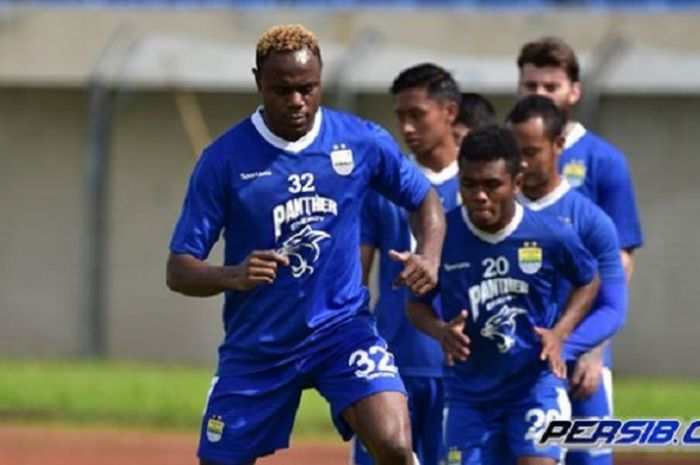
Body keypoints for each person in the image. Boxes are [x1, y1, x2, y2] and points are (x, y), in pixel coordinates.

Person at [166, 24, 446, 465]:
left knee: (394, 444)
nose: (297, 101)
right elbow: (179, 269)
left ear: (320, 81)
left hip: (341, 330)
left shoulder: (360, 141)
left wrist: (429, 255)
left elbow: (425, 199)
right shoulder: (224, 160)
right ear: (258, 81)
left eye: (307, 88)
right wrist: (233, 275)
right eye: (282, 90)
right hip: (260, 344)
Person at [407, 125, 603, 465]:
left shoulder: (552, 236)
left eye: (492, 184)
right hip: (468, 395)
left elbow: (589, 280)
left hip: (533, 386)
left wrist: (560, 333)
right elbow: (415, 304)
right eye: (469, 184)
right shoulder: (442, 236)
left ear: (517, 183)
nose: (480, 195)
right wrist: (440, 331)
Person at [516, 37, 644, 465]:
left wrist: (593, 350)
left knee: (588, 458)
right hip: (518, 348)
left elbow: (620, 261)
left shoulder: (605, 161)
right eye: (530, 85)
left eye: (550, 87)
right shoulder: (502, 159)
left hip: (580, 348)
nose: (539, 95)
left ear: (574, 91)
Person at [352, 63, 462, 465]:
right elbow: (356, 280)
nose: (407, 127)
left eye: (417, 114)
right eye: (400, 116)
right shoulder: (381, 188)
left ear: (449, 112)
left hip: (458, 369)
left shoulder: (482, 187)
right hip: (390, 364)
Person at [507, 94, 628, 392]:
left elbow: (613, 307)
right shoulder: (494, 217)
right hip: (504, 374)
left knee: (587, 440)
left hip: (575, 370)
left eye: (532, 152)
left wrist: (562, 345)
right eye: (515, 153)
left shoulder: (590, 220)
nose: (522, 163)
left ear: (558, 145)